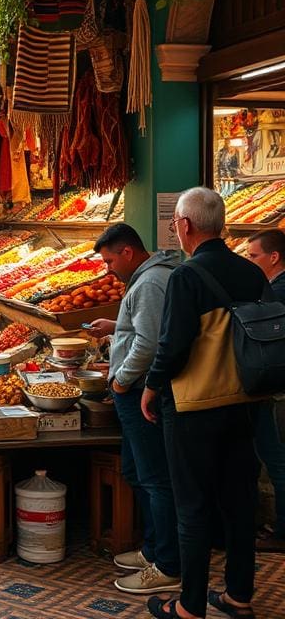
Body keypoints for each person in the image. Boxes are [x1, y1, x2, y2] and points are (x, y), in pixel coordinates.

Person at [142, 187, 270, 619]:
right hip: (246, 402)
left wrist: (151, 385)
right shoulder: (253, 273)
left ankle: (190, 606)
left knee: (191, 507)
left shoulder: (186, 276)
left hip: (194, 406)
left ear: (185, 225)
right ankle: (238, 597)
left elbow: (172, 345)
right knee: (239, 504)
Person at [89, 224, 181, 594]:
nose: (108, 268)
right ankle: (153, 549)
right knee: (138, 471)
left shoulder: (149, 283)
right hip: (134, 391)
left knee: (155, 478)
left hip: (141, 392)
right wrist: (118, 326)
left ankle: (167, 564)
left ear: (128, 252)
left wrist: (121, 380)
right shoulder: (147, 280)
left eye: (110, 260)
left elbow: (148, 343)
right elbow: (142, 329)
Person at [244, 229, 285, 552]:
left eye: (253, 256)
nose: (248, 261)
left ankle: (282, 531)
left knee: (275, 458)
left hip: (272, 387)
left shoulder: (278, 293)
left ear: (273, 257)